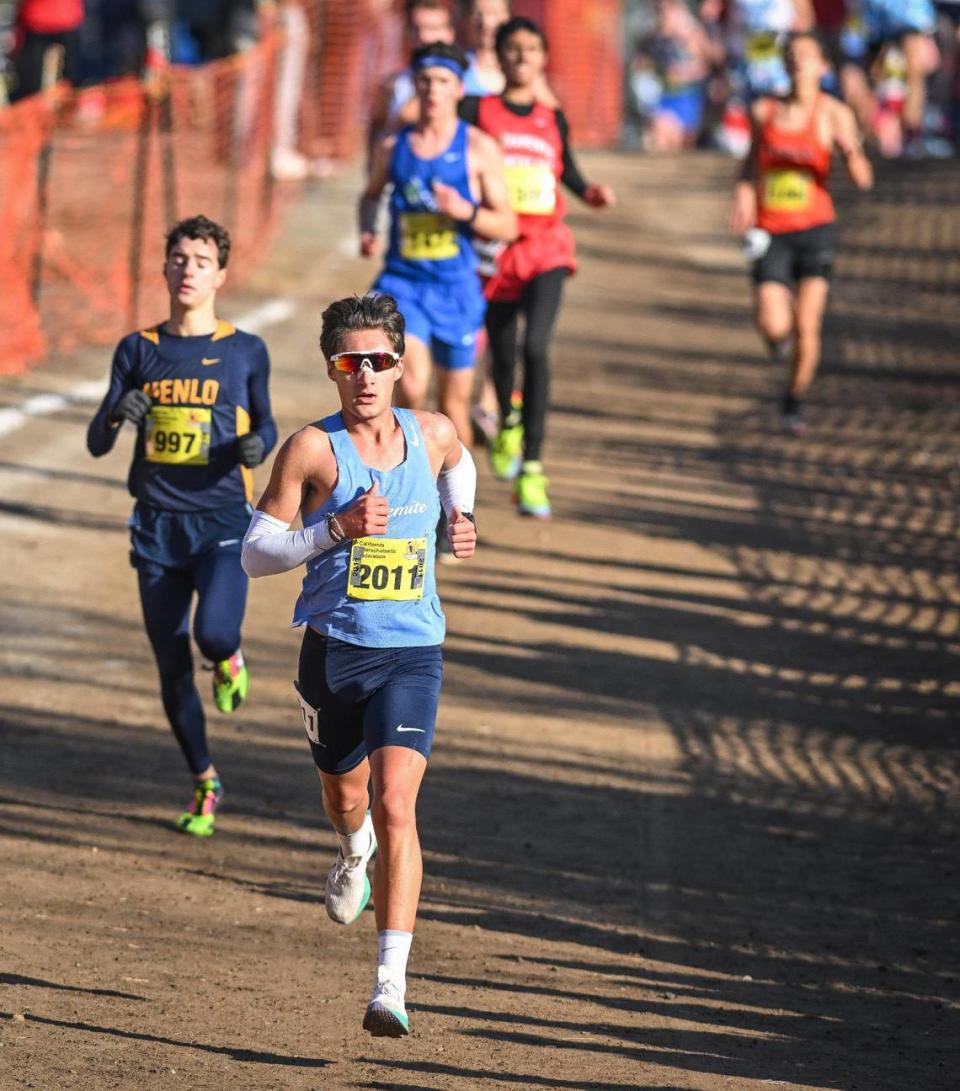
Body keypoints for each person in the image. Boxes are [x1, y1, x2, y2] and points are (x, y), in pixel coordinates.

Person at [241, 292, 478, 1037]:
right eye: (351, 363)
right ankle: (351, 852)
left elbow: (460, 462)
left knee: (397, 804)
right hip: (334, 653)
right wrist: (332, 530)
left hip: (411, 652)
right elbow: (253, 554)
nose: (367, 374)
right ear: (333, 370)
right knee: (347, 801)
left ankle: (390, 985)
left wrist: (461, 517)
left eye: (379, 361)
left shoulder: (433, 433)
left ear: (400, 367)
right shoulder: (313, 450)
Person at [86, 215, 276, 836]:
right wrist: (119, 412)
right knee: (169, 663)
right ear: (164, 268)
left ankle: (229, 658)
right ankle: (205, 780)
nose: (187, 269)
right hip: (157, 526)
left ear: (220, 274)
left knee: (214, 634)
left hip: (222, 519)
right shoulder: (138, 349)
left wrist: (256, 449)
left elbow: (267, 426)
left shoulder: (245, 349)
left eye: (200, 260)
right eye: (178, 258)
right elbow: (96, 441)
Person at [460, 16, 615, 518]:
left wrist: (589, 192)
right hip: (497, 250)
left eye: (531, 49)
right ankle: (507, 417)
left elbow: (565, 167)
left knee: (538, 347)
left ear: (543, 59)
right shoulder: (476, 109)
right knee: (502, 356)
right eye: (514, 49)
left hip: (547, 247)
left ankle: (533, 468)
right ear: (499, 58)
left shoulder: (552, 116)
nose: (523, 57)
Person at [361, 41, 516, 448]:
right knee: (411, 386)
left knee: (453, 408)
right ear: (415, 84)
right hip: (402, 284)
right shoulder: (393, 147)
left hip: (456, 290)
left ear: (458, 89)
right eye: (425, 80)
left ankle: (459, 506)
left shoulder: (479, 148)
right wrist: (368, 229)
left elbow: (508, 224)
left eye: (442, 81)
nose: (432, 89)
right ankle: (419, 498)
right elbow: (371, 193)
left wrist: (466, 212)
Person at [730, 31, 873, 434]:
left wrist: (850, 151)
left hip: (814, 230)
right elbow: (749, 163)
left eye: (807, 57)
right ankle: (782, 344)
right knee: (773, 324)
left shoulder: (834, 114)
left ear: (822, 67)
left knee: (809, 325)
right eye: (791, 56)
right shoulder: (764, 111)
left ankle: (794, 401)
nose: (798, 63)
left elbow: (863, 180)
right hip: (771, 230)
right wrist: (743, 192)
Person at [367, 0, 456, 154]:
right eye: (417, 29)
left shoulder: (465, 83)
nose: (424, 36)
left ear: (450, 33)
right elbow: (377, 131)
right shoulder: (394, 84)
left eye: (432, 28)